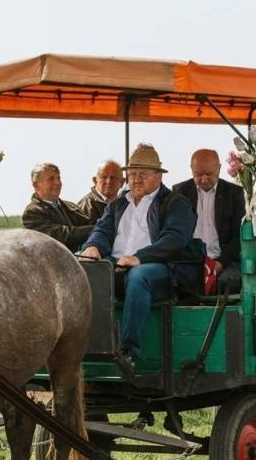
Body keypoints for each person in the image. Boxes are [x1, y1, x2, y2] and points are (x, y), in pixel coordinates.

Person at [79, 144, 201, 377]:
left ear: (158, 176)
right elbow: (101, 231)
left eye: (143, 174)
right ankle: (87, 348)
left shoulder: (175, 203)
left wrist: (140, 257)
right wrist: (92, 247)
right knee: (85, 270)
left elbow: (175, 240)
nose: (136, 179)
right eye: (133, 174)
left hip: (164, 269)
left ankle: (128, 352)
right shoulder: (118, 204)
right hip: (117, 265)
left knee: (139, 276)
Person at [173, 148, 245, 295]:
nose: (204, 179)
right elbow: (175, 232)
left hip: (225, 262)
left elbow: (238, 236)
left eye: (209, 174)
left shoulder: (234, 193)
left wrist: (219, 263)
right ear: (191, 169)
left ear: (219, 168)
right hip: (190, 261)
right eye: (198, 174)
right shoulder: (180, 192)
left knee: (225, 284)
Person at [22, 162, 95, 248]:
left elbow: (88, 224)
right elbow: (60, 236)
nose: (57, 183)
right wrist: (94, 229)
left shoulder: (72, 207)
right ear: (36, 185)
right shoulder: (32, 213)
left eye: (58, 178)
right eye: (51, 179)